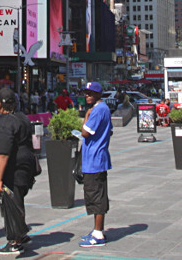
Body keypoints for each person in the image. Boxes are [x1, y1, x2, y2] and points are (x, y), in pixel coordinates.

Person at [0, 87, 37, 255]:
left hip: (13, 168)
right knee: (18, 199)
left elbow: (3, 152)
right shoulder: (22, 117)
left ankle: (15, 241)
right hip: (24, 164)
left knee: (12, 202)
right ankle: (20, 235)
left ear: (0, 105)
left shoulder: (6, 122)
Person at [79, 82, 112, 247]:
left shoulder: (98, 110)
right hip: (95, 158)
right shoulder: (102, 109)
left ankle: (98, 234)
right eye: (86, 93)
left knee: (96, 197)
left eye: (91, 93)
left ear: (99, 94)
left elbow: (85, 132)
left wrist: (86, 115)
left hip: (95, 160)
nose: (87, 95)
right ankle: (96, 230)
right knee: (94, 195)